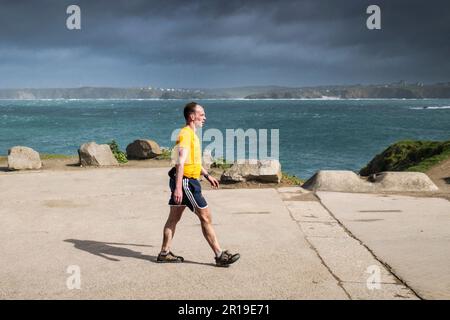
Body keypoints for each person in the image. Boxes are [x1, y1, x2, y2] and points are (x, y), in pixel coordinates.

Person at [157, 102, 240, 267]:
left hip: (185, 180)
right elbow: (180, 162)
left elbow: (192, 161)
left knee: (173, 218)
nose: (205, 117)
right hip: (186, 182)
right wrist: (179, 188)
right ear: (192, 116)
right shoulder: (186, 134)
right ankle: (219, 255)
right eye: (201, 114)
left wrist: (207, 175)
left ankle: (164, 253)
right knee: (206, 216)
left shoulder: (191, 134)